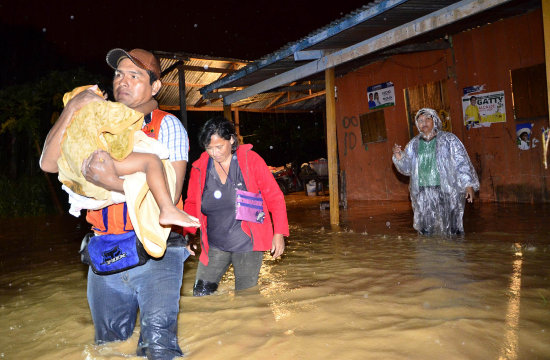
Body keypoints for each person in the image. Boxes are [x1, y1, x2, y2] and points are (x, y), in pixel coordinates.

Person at [40, 48, 191, 359]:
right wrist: (74, 107)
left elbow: (172, 195)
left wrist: (112, 181)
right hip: (106, 251)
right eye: (119, 74)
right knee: (108, 349)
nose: (123, 81)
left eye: (134, 75)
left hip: (157, 252)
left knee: (158, 349)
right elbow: (48, 163)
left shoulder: (168, 126)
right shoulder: (96, 122)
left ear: (155, 86)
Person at [184, 116, 289, 296]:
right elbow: (192, 203)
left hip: (247, 242)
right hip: (215, 244)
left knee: (246, 299)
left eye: (219, 147)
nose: (215, 153)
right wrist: (187, 235)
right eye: (209, 148)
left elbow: (275, 197)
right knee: (200, 295)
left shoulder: (251, 160)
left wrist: (279, 234)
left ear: (231, 140)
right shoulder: (200, 167)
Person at [392, 108, 479, 235]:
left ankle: (454, 253)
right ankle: (428, 254)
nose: (424, 122)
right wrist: (399, 157)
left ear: (435, 121)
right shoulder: (413, 145)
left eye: (428, 119)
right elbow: (407, 169)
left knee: (452, 228)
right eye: (420, 120)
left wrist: (468, 184)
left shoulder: (449, 140)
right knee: (426, 230)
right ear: (417, 125)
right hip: (423, 193)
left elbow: (462, 163)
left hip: (446, 191)